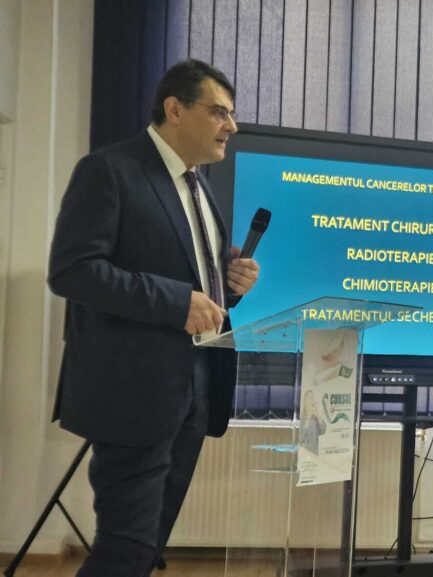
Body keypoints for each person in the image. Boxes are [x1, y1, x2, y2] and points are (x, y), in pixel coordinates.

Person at [47, 59, 260, 576]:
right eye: (219, 112)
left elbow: (189, 277)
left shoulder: (199, 187)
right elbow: (73, 271)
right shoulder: (109, 170)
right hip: (133, 390)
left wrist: (228, 282)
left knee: (147, 548)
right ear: (175, 109)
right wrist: (176, 301)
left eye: (231, 114)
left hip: (195, 385)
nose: (231, 126)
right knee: (125, 548)